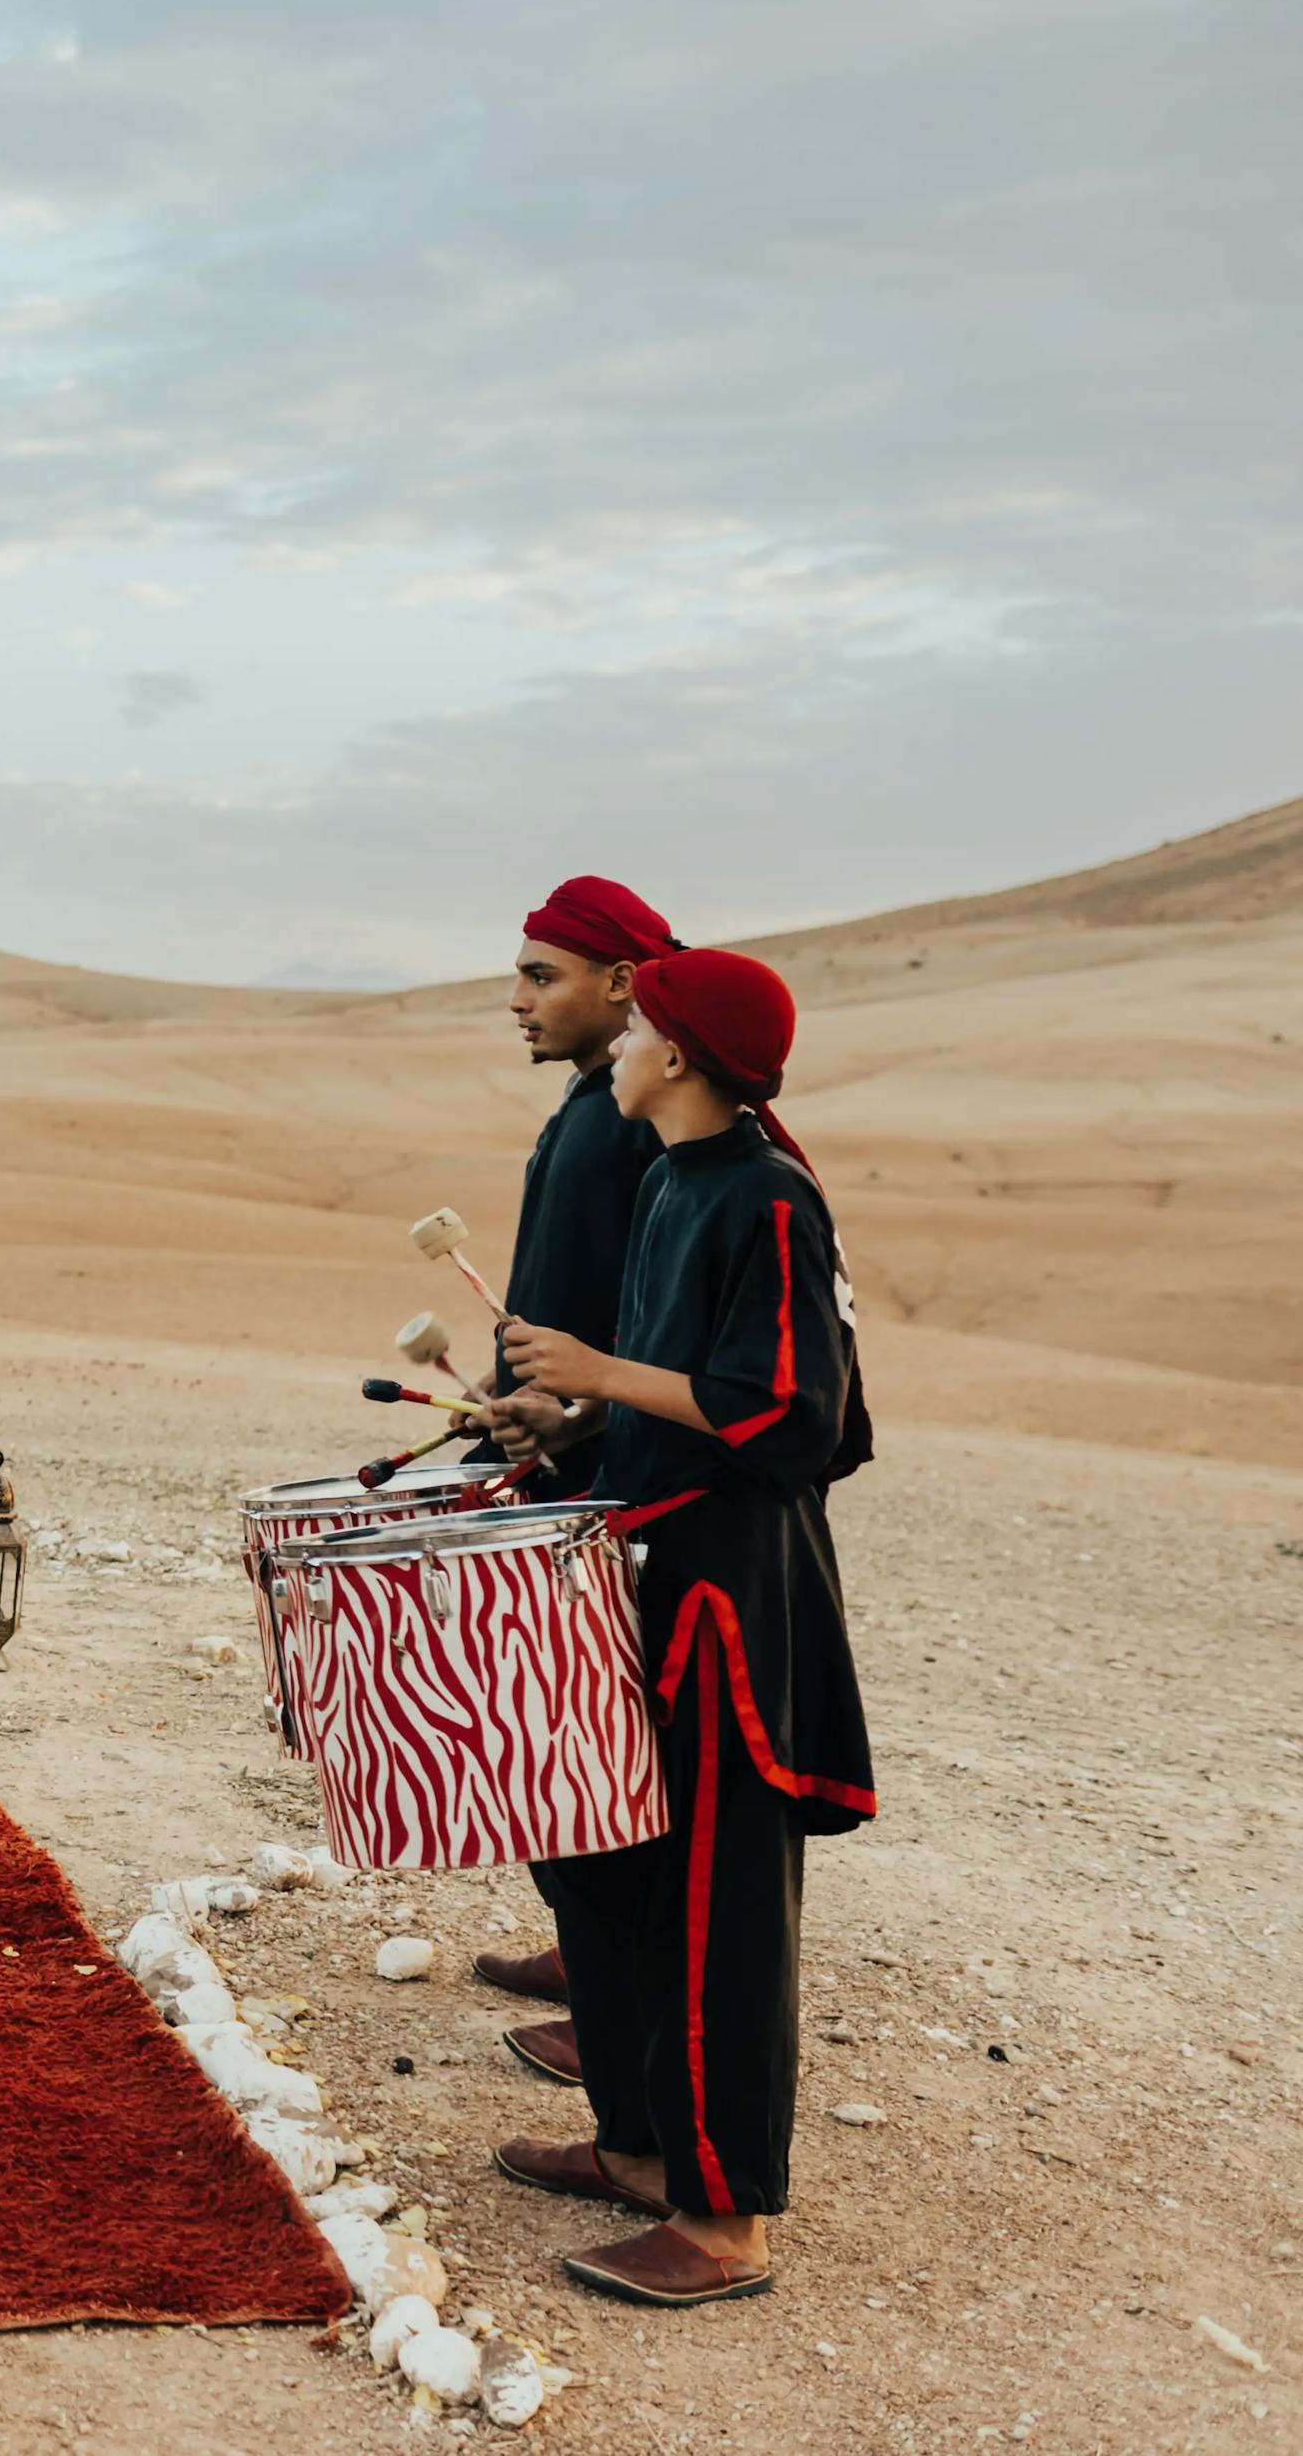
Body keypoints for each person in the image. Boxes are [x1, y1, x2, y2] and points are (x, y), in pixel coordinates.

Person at [489, 947, 875, 2308]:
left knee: (716, 1906)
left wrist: (605, 1371)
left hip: (730, 1604)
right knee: (625, 1881)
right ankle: (643, 2148)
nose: (627, 1037)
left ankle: (725, 2226)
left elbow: (797, 1414)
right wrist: (579, 1413)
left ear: (684, 1059)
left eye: (644, 1020)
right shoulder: (673, 1182)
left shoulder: (770, 1201)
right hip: (649, 1576)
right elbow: (674, 1387)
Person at [467, 875, 680, 2077]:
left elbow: (648, 1313)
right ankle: (586, 1949)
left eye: (542, 977)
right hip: (561, 1440)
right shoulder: (597, 1104)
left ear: (623, 984)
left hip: (601, 1459)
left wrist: (576, 1413)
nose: (517, 1001)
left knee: (589, 1730)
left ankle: (617, 2000)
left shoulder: (632, 1115)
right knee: (565, 1729)